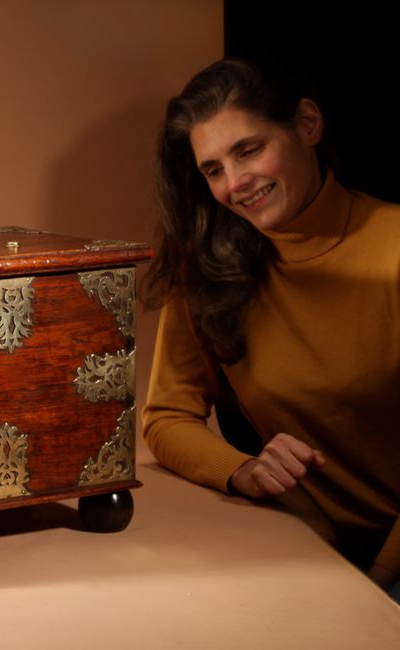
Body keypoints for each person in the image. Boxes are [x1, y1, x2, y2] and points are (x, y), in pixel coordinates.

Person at [141, 58, 399, 595]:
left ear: (307, 125)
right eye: (213, 169)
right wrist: (242, 470)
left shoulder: (393, 249)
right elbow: (167, 416)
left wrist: (379, 582)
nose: (236, 184)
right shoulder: (208, 266)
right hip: (308, 550)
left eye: (248, 149)